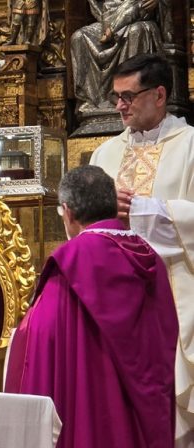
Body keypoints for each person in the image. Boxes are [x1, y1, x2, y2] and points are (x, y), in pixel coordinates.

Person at [5, 165, 177, 448]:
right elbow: (166, 333)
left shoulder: (71, 261)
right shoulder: (151, 257)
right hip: (143, 408)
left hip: (91, 405)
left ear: (68, 212)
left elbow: (41, 337)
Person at [89, 52, 194, 446]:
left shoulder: (191, 147)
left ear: (160, 95)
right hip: (115, 303)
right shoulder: (104, 155)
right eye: (116, 96)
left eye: (128, 96)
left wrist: (143, 210)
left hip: (174, 299)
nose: (119, 105)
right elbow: (81, 229)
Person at [70, 0, 172, 112]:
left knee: (136, 31)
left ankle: (129, 96)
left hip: (139, 19)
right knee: (79, 37)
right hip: (109, 19)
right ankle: (92, 100)